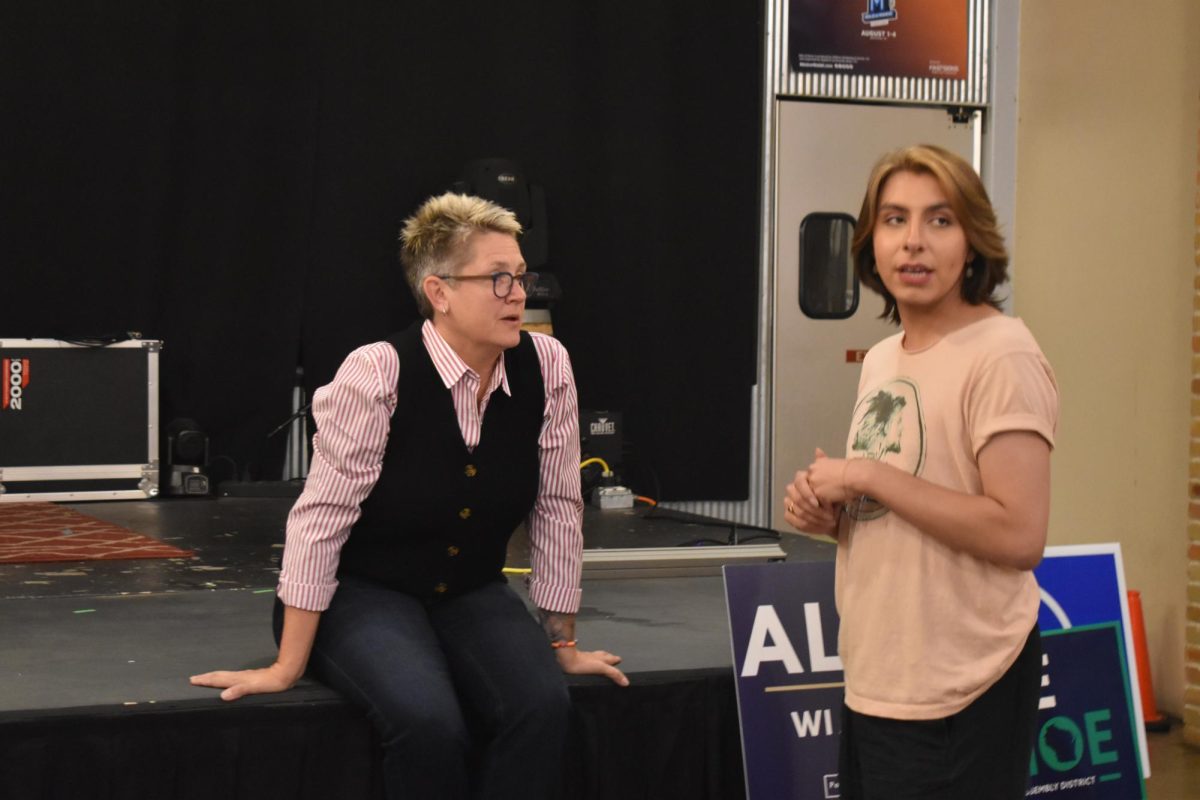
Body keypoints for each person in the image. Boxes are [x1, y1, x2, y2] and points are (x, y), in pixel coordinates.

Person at [191, 192, 628, 800]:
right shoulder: (377, 373)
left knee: (542, 707)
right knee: (428, 722)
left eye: (522, 277)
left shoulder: (547, 364)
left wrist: (562, 641)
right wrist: (287, 665)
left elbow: (557, 505)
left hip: (469, 589)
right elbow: (320, 521)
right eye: (497, 279)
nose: (519, 294)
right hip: (363, 592)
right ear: (439, 292)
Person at [783, 145, 1058, 799]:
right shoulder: (882, 358)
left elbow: (1019, 536)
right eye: (893, 219)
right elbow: (904, 505)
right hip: (880, 679)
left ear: (973, 242)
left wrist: (870, 477)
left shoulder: (1002, 356)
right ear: (869, 243)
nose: (913, 242)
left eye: (939, 221)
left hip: (965, 688)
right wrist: (832, 513)